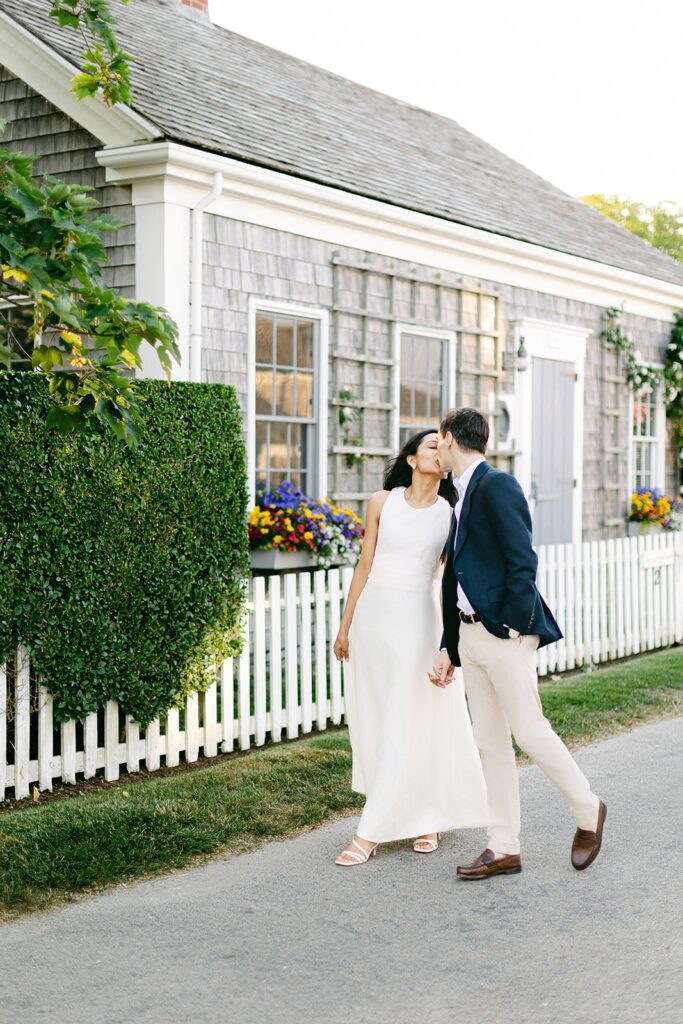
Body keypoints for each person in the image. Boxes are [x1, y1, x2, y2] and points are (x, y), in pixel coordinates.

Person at [430, 407, 606, 879]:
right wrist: (451, 643)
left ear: (448, 439)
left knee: (529, 732)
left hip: (503, 635)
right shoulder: (458, 494)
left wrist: (509, 625)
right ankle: (503, 846)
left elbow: (521, 562)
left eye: (436, 439)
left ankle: (589, 810)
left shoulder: (497, 485)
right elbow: (455, 577)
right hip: (468, 637)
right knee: (489, 743)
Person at [332, 428, 487, 867]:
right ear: (413, 460)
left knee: (415, 717)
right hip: (374, 621)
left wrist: (449, 644)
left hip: (418, 622)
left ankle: (372, 832)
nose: (441, 452)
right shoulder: (382, 503)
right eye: (431, 447)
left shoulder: (450, 513)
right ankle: (421, 816)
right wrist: (345, 627)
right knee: (383, 718)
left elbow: (451, 579)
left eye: (444, 446)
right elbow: (364, 566)